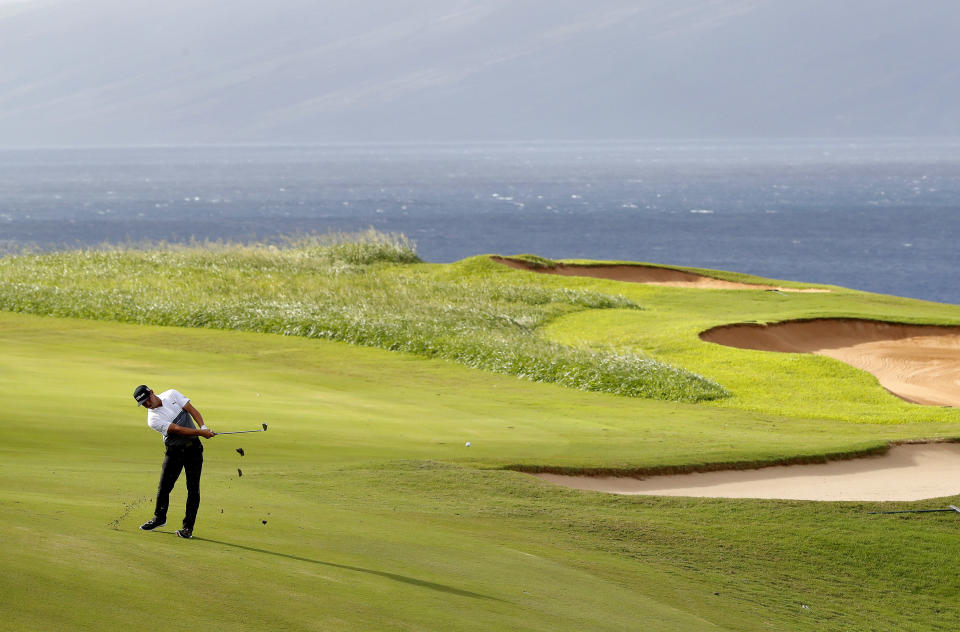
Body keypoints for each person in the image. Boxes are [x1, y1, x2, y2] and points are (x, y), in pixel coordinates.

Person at [134, 384, 215, 539]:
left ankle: (187, 529)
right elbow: (177, 430)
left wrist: (203, 426)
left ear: (152, 392)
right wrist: (201, 432)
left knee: (193, 489)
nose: (146, 405)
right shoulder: (153, 419)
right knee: (164, 487)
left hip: (194, 450)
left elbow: (191, 409)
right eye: (143, 404)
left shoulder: (171, 394)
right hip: (174, 452)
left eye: (147, 400)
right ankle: (159, 518)